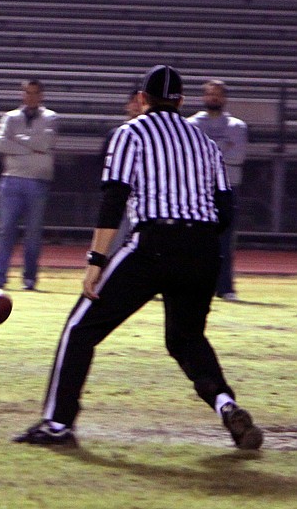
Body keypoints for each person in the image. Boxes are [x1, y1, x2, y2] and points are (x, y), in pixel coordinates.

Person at [14, 65, 263, 450]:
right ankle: (225, 403)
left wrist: (96, 260)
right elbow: (226, 209)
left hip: (154, 242)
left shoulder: (131, 133)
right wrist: (195, 243)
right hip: (202, 250)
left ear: (143, 99)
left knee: (81, 329)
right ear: (181, 100)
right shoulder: (204, 141)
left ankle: (57, 424)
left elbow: (114, 200)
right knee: (186, 338)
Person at [0, 79, 58, 291]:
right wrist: (30, 145)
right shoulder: (9, 117)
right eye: (27, 93)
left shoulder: (51, 117)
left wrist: (18, 141)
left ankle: (29, 279)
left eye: (35, 93)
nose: (30, 97)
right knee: (6, 231)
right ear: (22, 94)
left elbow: (45, 144)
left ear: (41, 95)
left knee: (33, 233)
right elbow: (0, 143)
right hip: (11, 179)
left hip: (38, 181)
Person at [187, 80, 248, 302]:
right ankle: (194, 284)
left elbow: (237, 157)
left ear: (224, 98)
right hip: (198, 189)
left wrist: (208, 152)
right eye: (210, 94)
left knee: (224, 240)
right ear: (204, 97)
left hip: (228, 189)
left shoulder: (237, 126)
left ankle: (224, 288)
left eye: (218, 94)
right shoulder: (191, 124)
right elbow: (189, 158)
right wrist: (222, 150)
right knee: (194, 240)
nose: (214, 98)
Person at [102, 89, 143, 257]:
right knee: (113, 245)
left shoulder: (150, 136)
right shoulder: (115, 134)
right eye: (134, 101)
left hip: (142, 200)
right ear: (127, 105)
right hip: (120, 198)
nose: (137, 105)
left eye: (141, 102)